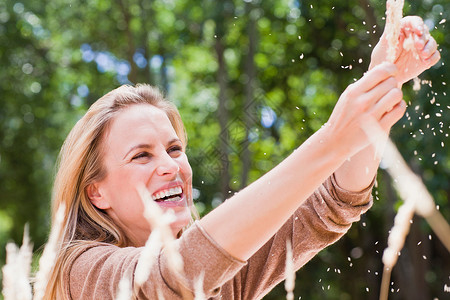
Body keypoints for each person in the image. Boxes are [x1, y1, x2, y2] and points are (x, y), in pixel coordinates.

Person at [44, 16, 440, 299]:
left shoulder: (224, 276)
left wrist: (380, 85)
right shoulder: (79, 271)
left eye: (174, 149)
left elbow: (331, 206)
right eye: (141, 156)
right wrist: (332, 140)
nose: (170, 165)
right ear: (97, 193)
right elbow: (167, 280)